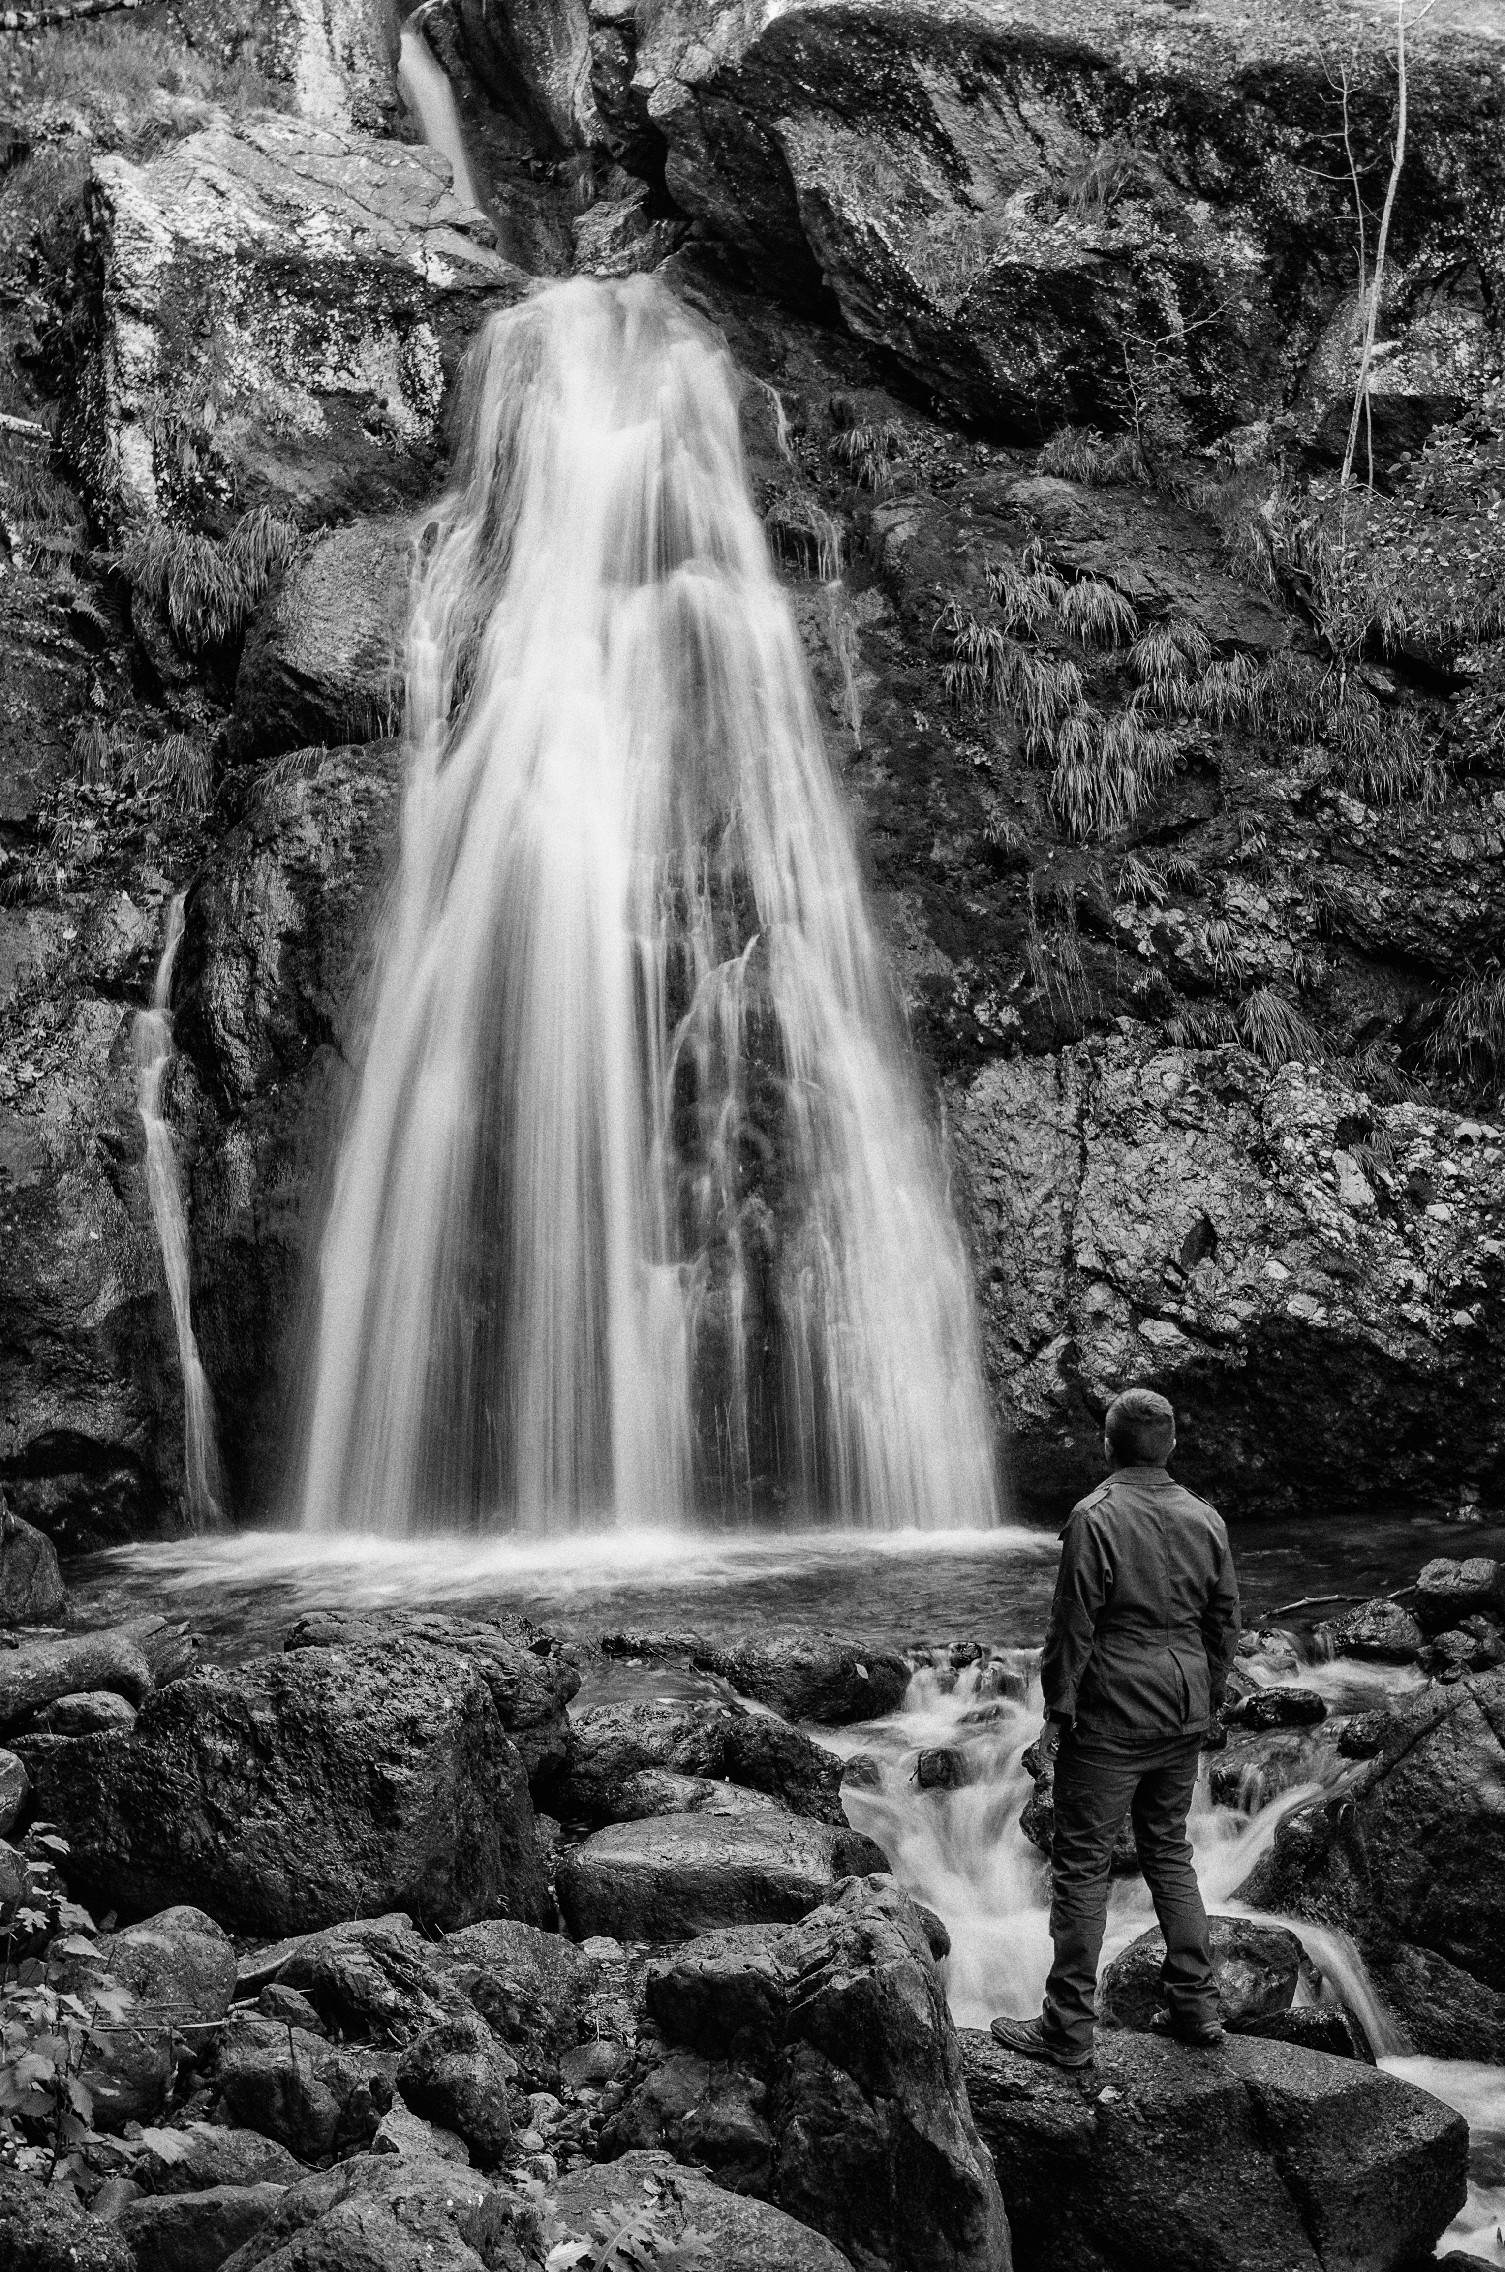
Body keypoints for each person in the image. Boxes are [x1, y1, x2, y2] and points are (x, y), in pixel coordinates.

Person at [990, 1386, 1240, 2068]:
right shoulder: (1204, 1518)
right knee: (1168, 1851)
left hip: (1110, 1715)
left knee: (1081, 1868)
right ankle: (1195, 2006)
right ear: (1173, 1445)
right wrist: (1206, 1697)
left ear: (1106, 1445)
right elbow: (1224, 1622)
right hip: (1180, 1707)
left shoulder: (1094, 1517)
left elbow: (1071, 1628)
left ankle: (1066, 2030)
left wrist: (1053, 1718)